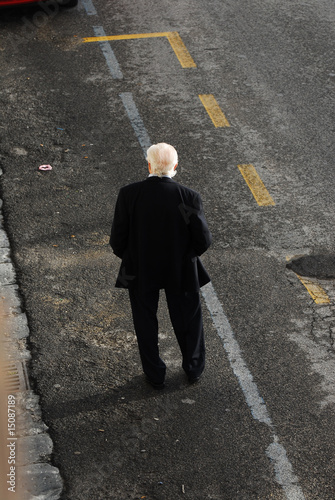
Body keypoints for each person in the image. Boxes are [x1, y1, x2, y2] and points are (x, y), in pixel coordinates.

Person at [110, 143, 212, 389]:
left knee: (145, 321)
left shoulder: (129, 195)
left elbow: (117, 240)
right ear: (175, 167)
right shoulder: (187, 197)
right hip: (180, 269)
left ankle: (155, 374)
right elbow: (203, 240)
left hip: (140, 268)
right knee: (188, 319)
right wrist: (183, 255)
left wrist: (134, 255)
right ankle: (193, 368)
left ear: (149, 165)